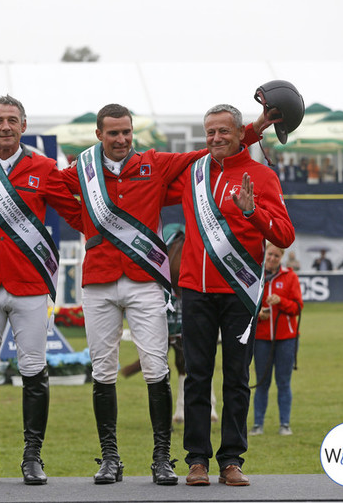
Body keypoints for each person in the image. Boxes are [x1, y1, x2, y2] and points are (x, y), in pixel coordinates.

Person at [59, 104, 273, 486]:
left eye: (126, 132)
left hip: (144, 279)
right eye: (113, 133)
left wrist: (253, 129)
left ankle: (161, 458)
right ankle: (110, 458)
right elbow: (50, 188)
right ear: (99, 136)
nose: (121, 139)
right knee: (103, 371)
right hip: (99, 279)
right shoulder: (82, 170)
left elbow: (209, 152)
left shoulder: (154, 163)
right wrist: (88, 225)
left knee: (157, 369)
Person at [166, 103, 295, 487]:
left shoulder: (262, 175)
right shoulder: (193, 173)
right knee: (196, 376)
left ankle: (232, 460)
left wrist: (253, 211)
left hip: (240, 292)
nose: (217, 138)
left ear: (241, 134)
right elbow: (151, 180)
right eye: (210, 132)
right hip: (195, 290)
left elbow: (285, 236)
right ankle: (196, 461)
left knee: (237, 377)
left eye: (224, 131)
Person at [0, 95, 82, 485]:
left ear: (23, 126)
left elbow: (75, 213)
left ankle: (32, 458)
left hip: (28, 283)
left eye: (13, 120)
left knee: (33, 370)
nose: (6, 126)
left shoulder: (44, 168)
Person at [250, 243, 303, 437]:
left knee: (283, 382)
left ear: (281, 258)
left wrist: (282, 302)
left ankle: (285, 424)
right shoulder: (255, 275)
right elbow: (247, 305)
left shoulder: (290, 277)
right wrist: (259, 314)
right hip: (262, 338)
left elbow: (298, 307)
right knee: (262, 383)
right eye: (270, 255)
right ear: (265, 256)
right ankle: (257, 424)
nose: (272, 259)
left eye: (276, 256)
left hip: (286, 339)